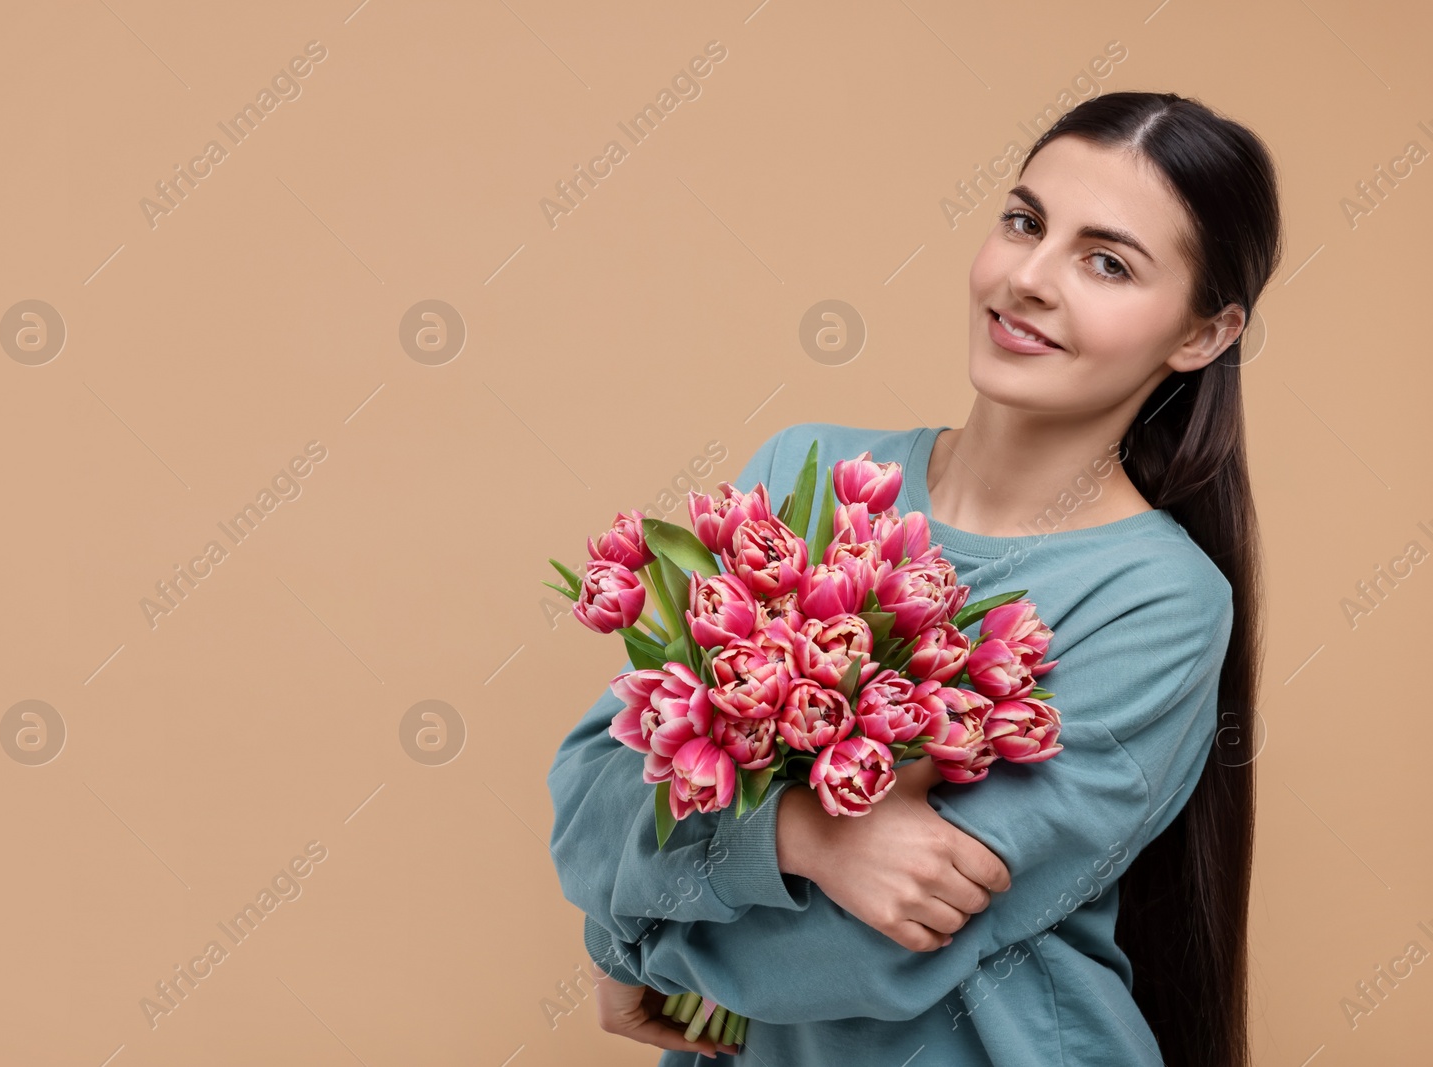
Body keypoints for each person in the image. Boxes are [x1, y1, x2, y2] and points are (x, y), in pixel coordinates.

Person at [546, 90, 1278, 1066]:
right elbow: (592, 796)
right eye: (1024, 221)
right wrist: (799, 835)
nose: (1028, 278)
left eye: (1106, 262)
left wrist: (636, 939)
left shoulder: (1157, 599)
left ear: (1202, 335)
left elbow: (886, 946)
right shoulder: (806, 478)